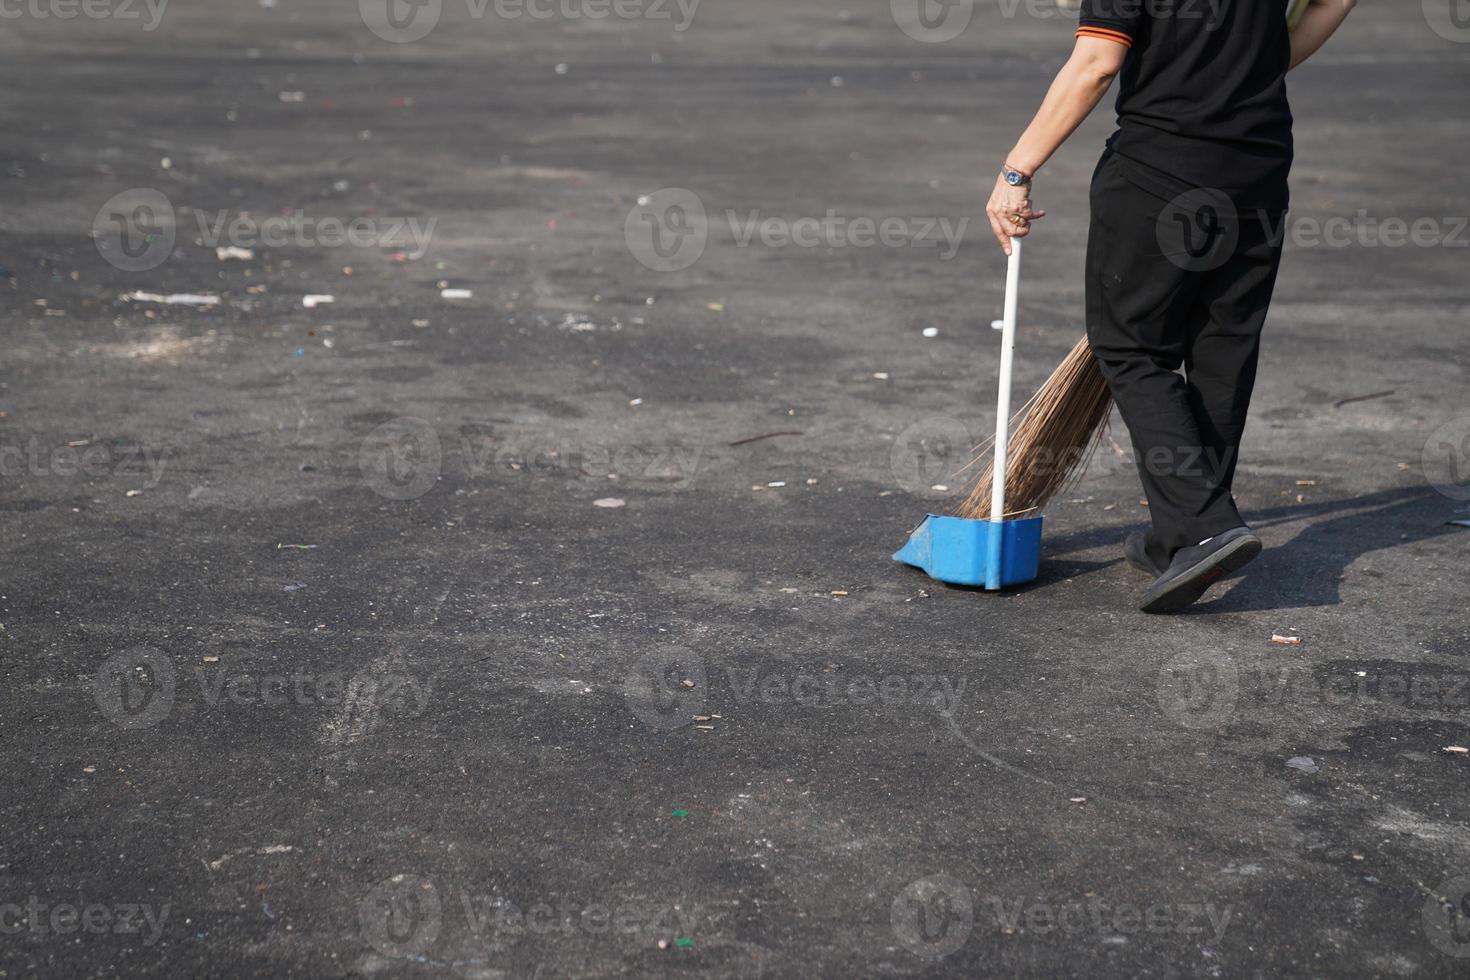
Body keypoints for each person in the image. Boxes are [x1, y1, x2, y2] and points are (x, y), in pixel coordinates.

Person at [983, 0, 1356, 612]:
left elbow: (1096, 65)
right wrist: (1254, 68)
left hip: (1161, 175)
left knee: (1130, 349)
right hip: (1257, 171)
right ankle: (1180, 536)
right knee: (1223, 350)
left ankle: (1202, 526)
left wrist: (1016, 171)